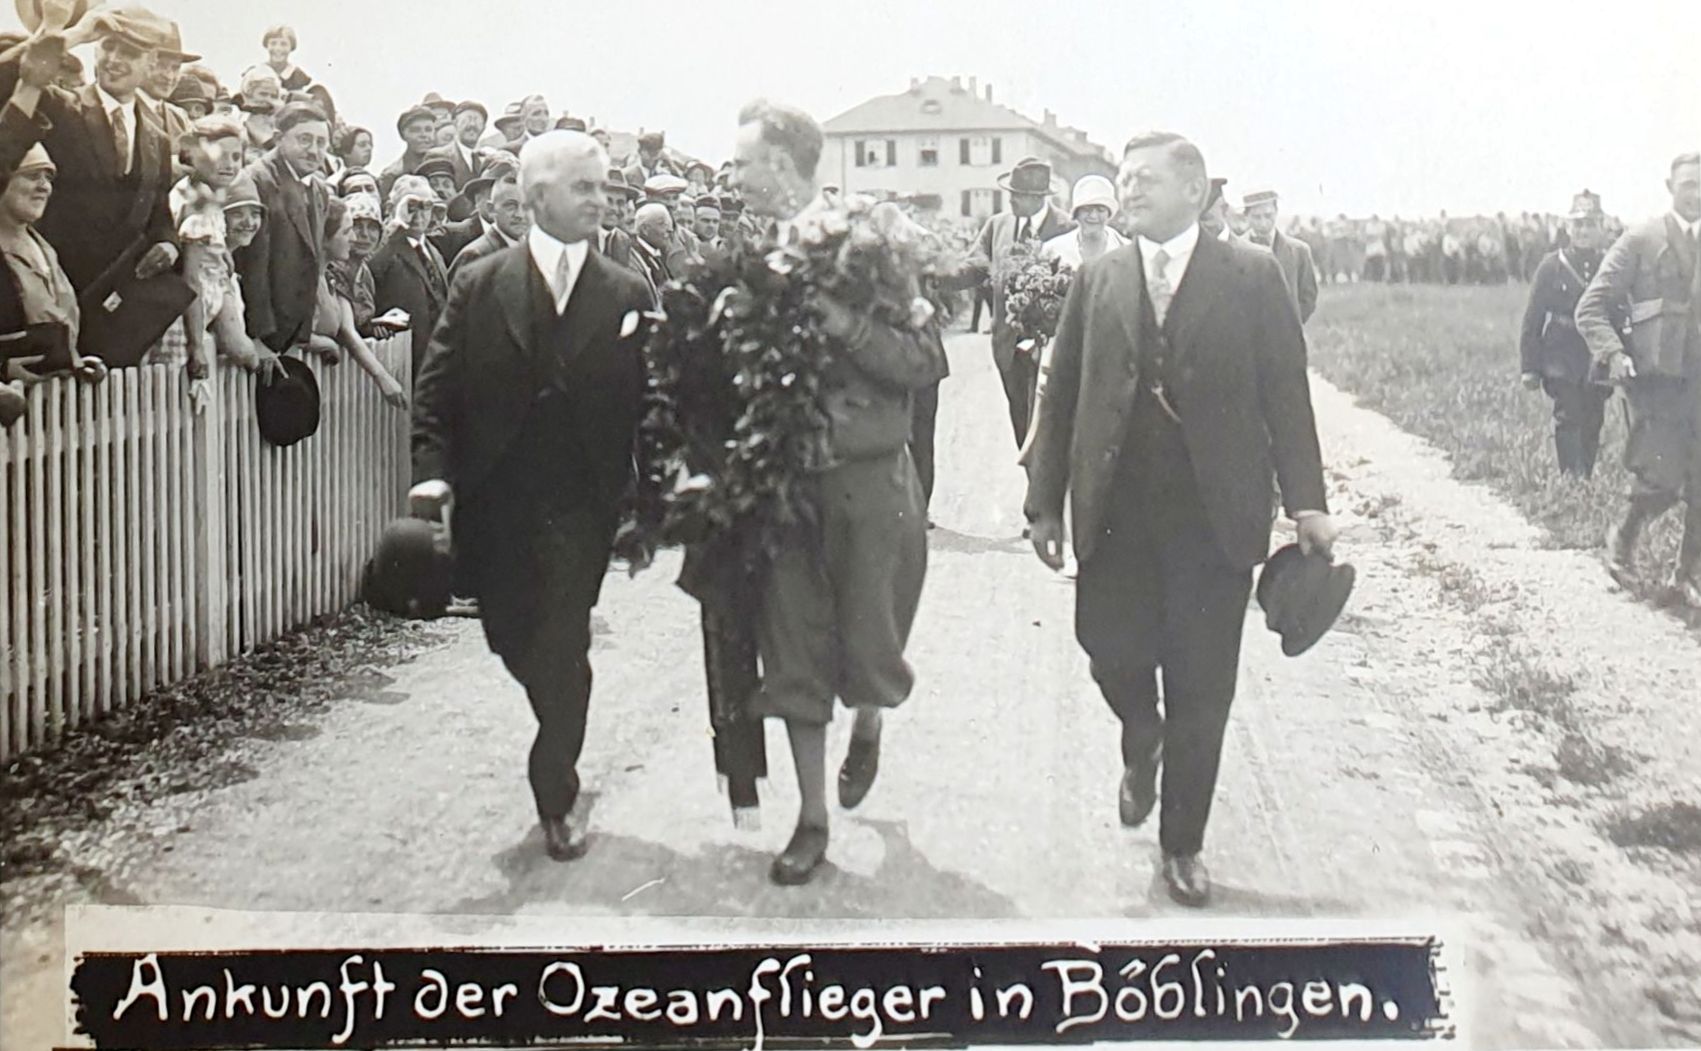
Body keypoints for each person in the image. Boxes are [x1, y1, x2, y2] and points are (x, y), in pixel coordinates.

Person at [1021, 131, 1335, 908]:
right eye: (1123, 179)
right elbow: (1061, 395)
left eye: (1145, 180)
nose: (1127, 190)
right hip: (1114, 514)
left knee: (1202, 683)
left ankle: (1182, 843)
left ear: (1193, 192)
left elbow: (1285, 393)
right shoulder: (1097, 277)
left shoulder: (1251, 276)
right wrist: (1043, 502)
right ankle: (1141, 733)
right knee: (1107, 647)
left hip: (1212, 518)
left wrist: (1307, 502)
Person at [410, 130, 652, 862]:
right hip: (496, 503)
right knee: (512, 635)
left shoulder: (626, 292)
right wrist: (432, 473)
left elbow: (654, 403)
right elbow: (436, 390)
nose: (600, 201)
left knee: (564, 638)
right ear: (538, 195)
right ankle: (557, 717)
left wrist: (651, 499)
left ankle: (556, 789)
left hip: (581, 505)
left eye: (603, 188)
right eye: (584, 187)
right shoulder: (480, 283)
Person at [729, 99, 946, 884]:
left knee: (869, 638)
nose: (734, 177)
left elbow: (925, 360)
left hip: (868, 483)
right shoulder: (754, 254)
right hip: (787, 486)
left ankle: (869, 718)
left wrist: (841, 323)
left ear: (780, 162)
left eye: (743, 162)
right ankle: (811, 817)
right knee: (791, 644)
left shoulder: (870, 242)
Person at [1578, 152, 1701, 606]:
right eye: (1689, 185)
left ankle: (1686, 576)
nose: (1697, 195)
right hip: (1657, 384)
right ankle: (1622, 540)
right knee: (1661, 479)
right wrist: (1614, 354)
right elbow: (1590, 307)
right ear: (1670, 188)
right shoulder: (1642, 239)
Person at [0, 8, 180, 295]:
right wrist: (76, 34)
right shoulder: (61, 107)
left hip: (116, 300)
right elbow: (11, 78)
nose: (114, 60)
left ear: (152, 63)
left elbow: (159, 213)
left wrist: (169, 243)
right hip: (51, 289)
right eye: (108, 47)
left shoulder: (158, 138)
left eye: (130, 53)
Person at [957, 156, 1074, 449]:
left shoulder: (1067, 228)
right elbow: (974, 266)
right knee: (1021, 423)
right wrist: (935, 274)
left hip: (1053, 348)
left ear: (1038, 197)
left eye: (1018, 194)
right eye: (1011, 192)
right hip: (1008, 345)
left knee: (1053, 426)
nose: (1010, 199)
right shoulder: (997, 225)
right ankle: (1030, 476)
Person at [2, 143, 107, 401]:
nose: (44, 187)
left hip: (54, 408)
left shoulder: (45, 248)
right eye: (32, 175)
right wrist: (3, 369)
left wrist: (76, 362)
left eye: (48, 177)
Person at [1519, 190, 1612, 479]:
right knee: (1568, 414)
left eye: (1590, 224)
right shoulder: (1552, 265)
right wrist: (1530, 367)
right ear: (1568, 227)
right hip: (1560, 351)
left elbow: (1620, 311)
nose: (1583, 231)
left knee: (1593, 416)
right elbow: (1533, 317)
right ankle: (1572, 479)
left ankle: (1585, 475)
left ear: (1601, 227)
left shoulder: (1610, 265)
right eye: (1578, 224)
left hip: (1597, 352)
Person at [233, 100, 330, 355]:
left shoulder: (319, 189)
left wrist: (303, 334)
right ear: (278, 138)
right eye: (304, 140)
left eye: (321, 142)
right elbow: (252, 266)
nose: (314, 150)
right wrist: (259, 337)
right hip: (261, 337)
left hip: (292, 334)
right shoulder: (257, 180)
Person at [300, 195, 407, 408]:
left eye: (372, 227)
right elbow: (346, 330)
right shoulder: (330, 270)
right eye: (353, 228)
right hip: (312, 374)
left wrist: (372, 327)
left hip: (341, 380)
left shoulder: (364, 273)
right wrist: (382, 377)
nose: (360, 236)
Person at [369, 173, 448, 378]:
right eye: (411, 206)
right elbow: (368, 270)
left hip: (436, 360)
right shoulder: (386, 247)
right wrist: (397, 223)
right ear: (392, 208)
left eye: (426, 206)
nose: (419, 214)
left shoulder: (433, 251)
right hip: (399, 359)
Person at [1242, 190, 1318, 324]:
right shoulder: (1233, 250)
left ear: (1276, 212)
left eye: (1268, 215)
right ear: (1246, 216)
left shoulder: (1299, 250)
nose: (1263, 223)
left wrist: (1291, 324)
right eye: (1256, 217)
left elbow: (1309, 296)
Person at [449, 171, 527, 281]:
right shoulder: (476, 255)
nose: (520, 215)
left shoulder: (531, 250)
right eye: (510, 206)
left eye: (526, 206)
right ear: (491, 209)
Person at [1041, 174, 1128, 268]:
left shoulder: (1126, 249)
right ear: (1076, 213)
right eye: (1086, 209)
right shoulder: (1053, 250)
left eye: (1101, 210)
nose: (1093, 216)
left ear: (1109, 214)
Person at [379, 105, 437, 201]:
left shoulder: (445, 166)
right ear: (403, 135)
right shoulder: (392, 174)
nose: (423, 135)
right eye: (416, 130)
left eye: (428, 130)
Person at [629, 200, 673, 302]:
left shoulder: (657, 254)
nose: (669, 229)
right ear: (645, 229)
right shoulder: (633, 256)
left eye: (668, 224)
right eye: (662, 224)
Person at [259, 25, 311, 93]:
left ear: (291, 47)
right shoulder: (257, 72)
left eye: (283, 44)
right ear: (266, 45)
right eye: (273, 43)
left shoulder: (297, 75)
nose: (278, 48)